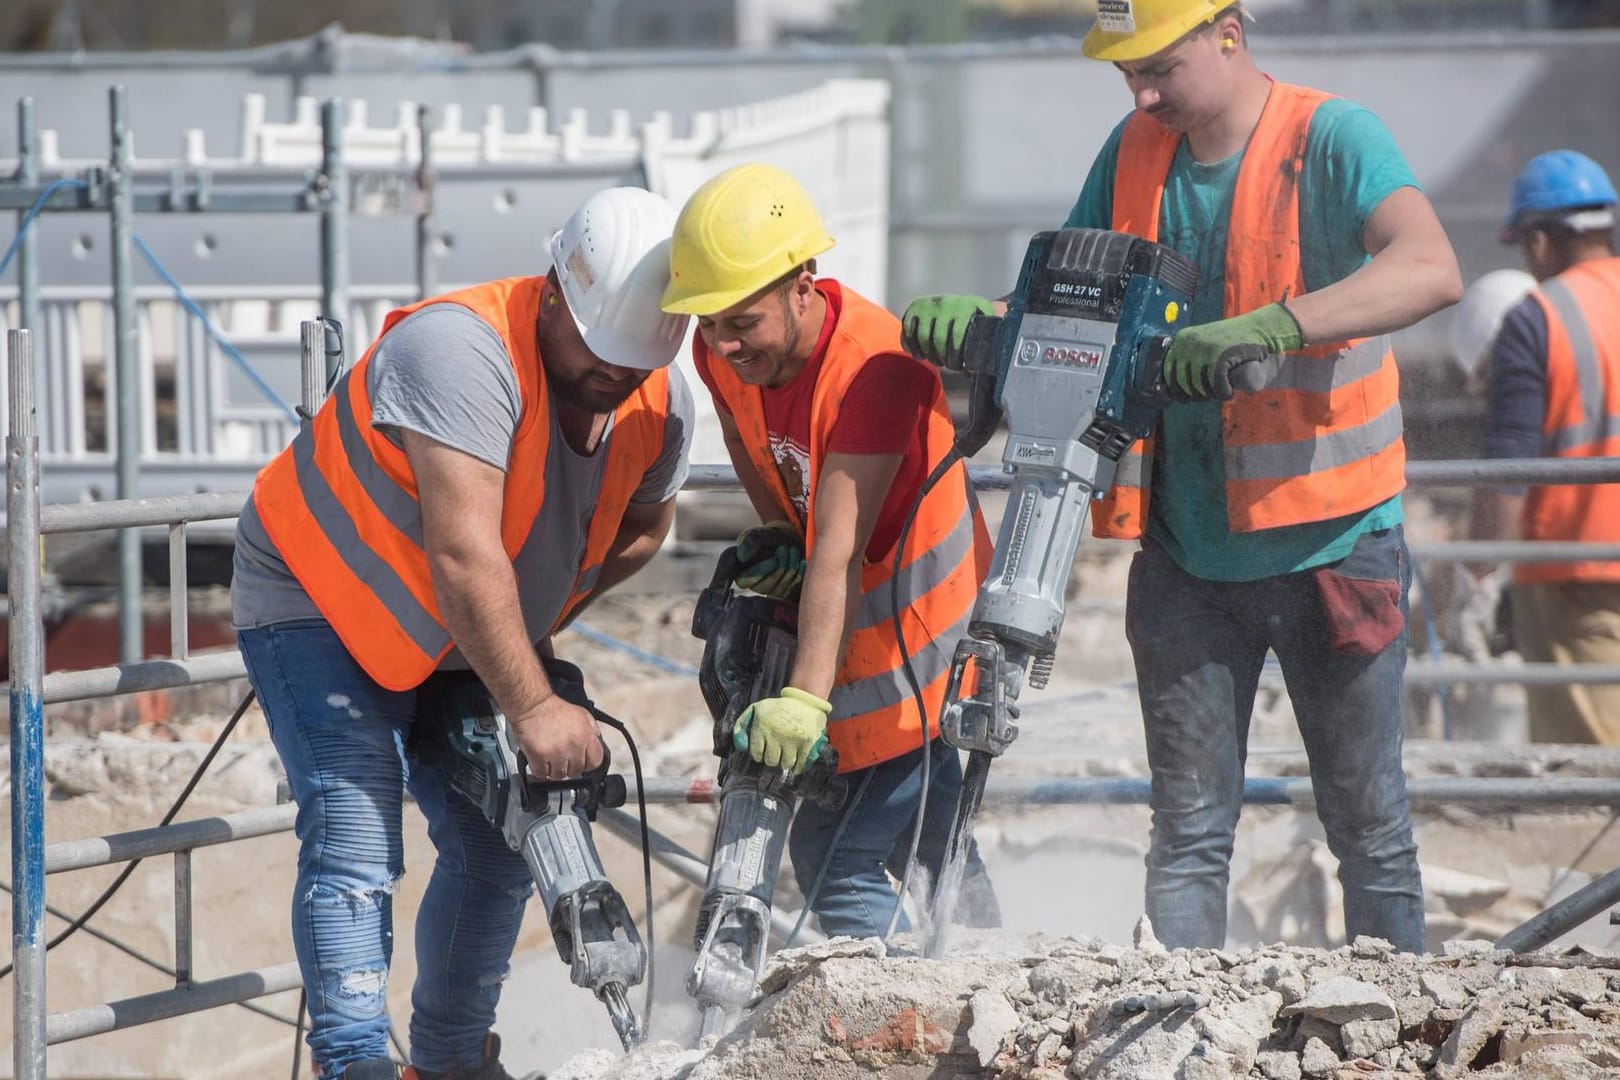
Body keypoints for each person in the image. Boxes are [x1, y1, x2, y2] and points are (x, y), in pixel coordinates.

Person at [901, 0, 1462, 952]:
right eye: (1126, 74)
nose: (1142, 91)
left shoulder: (1329, 138)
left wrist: (1280, 324)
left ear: (1229, 35)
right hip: (1186, 555)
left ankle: (1393, 1033)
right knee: (1188, 837)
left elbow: (1431, 266)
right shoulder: (1132, 149)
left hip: (1332, 544)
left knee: (1370, 836)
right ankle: (1183, 1030)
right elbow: (1071, 301)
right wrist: (992, 325)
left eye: (1158, 67)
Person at [231, 187, 695, 1079]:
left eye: (634, 361)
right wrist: (531, 699)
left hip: (458, 622)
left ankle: (446, 1065)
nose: (615, 376)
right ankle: (356, 1062)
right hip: (317, 594)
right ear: (556, 291)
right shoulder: (459, 349)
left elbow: (640, 527)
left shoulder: (659, 402)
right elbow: (460, 551)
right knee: (356, 822)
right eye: (600, 353)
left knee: (499, 842)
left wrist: (535, 626)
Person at [661, 162, 1001, 938]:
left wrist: (806, 702)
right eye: (707, 322)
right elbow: (757, 449)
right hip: (853, 627)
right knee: (936, 837)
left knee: (835, 853)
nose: (721, 341)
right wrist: (783, 529)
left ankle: (893, 1027)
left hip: (918, 638)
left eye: (740, 320)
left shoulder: (873, 367)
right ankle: (996, 978)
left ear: (802, 281)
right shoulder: (722, 349)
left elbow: (840, 552)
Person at [1465, 150, 1620, 744]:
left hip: (1574, 576)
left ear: (1538, 243)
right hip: (1578, 570)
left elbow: (1510, 465)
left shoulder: (1538, 317)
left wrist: (1478, 573)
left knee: (1588, 772)